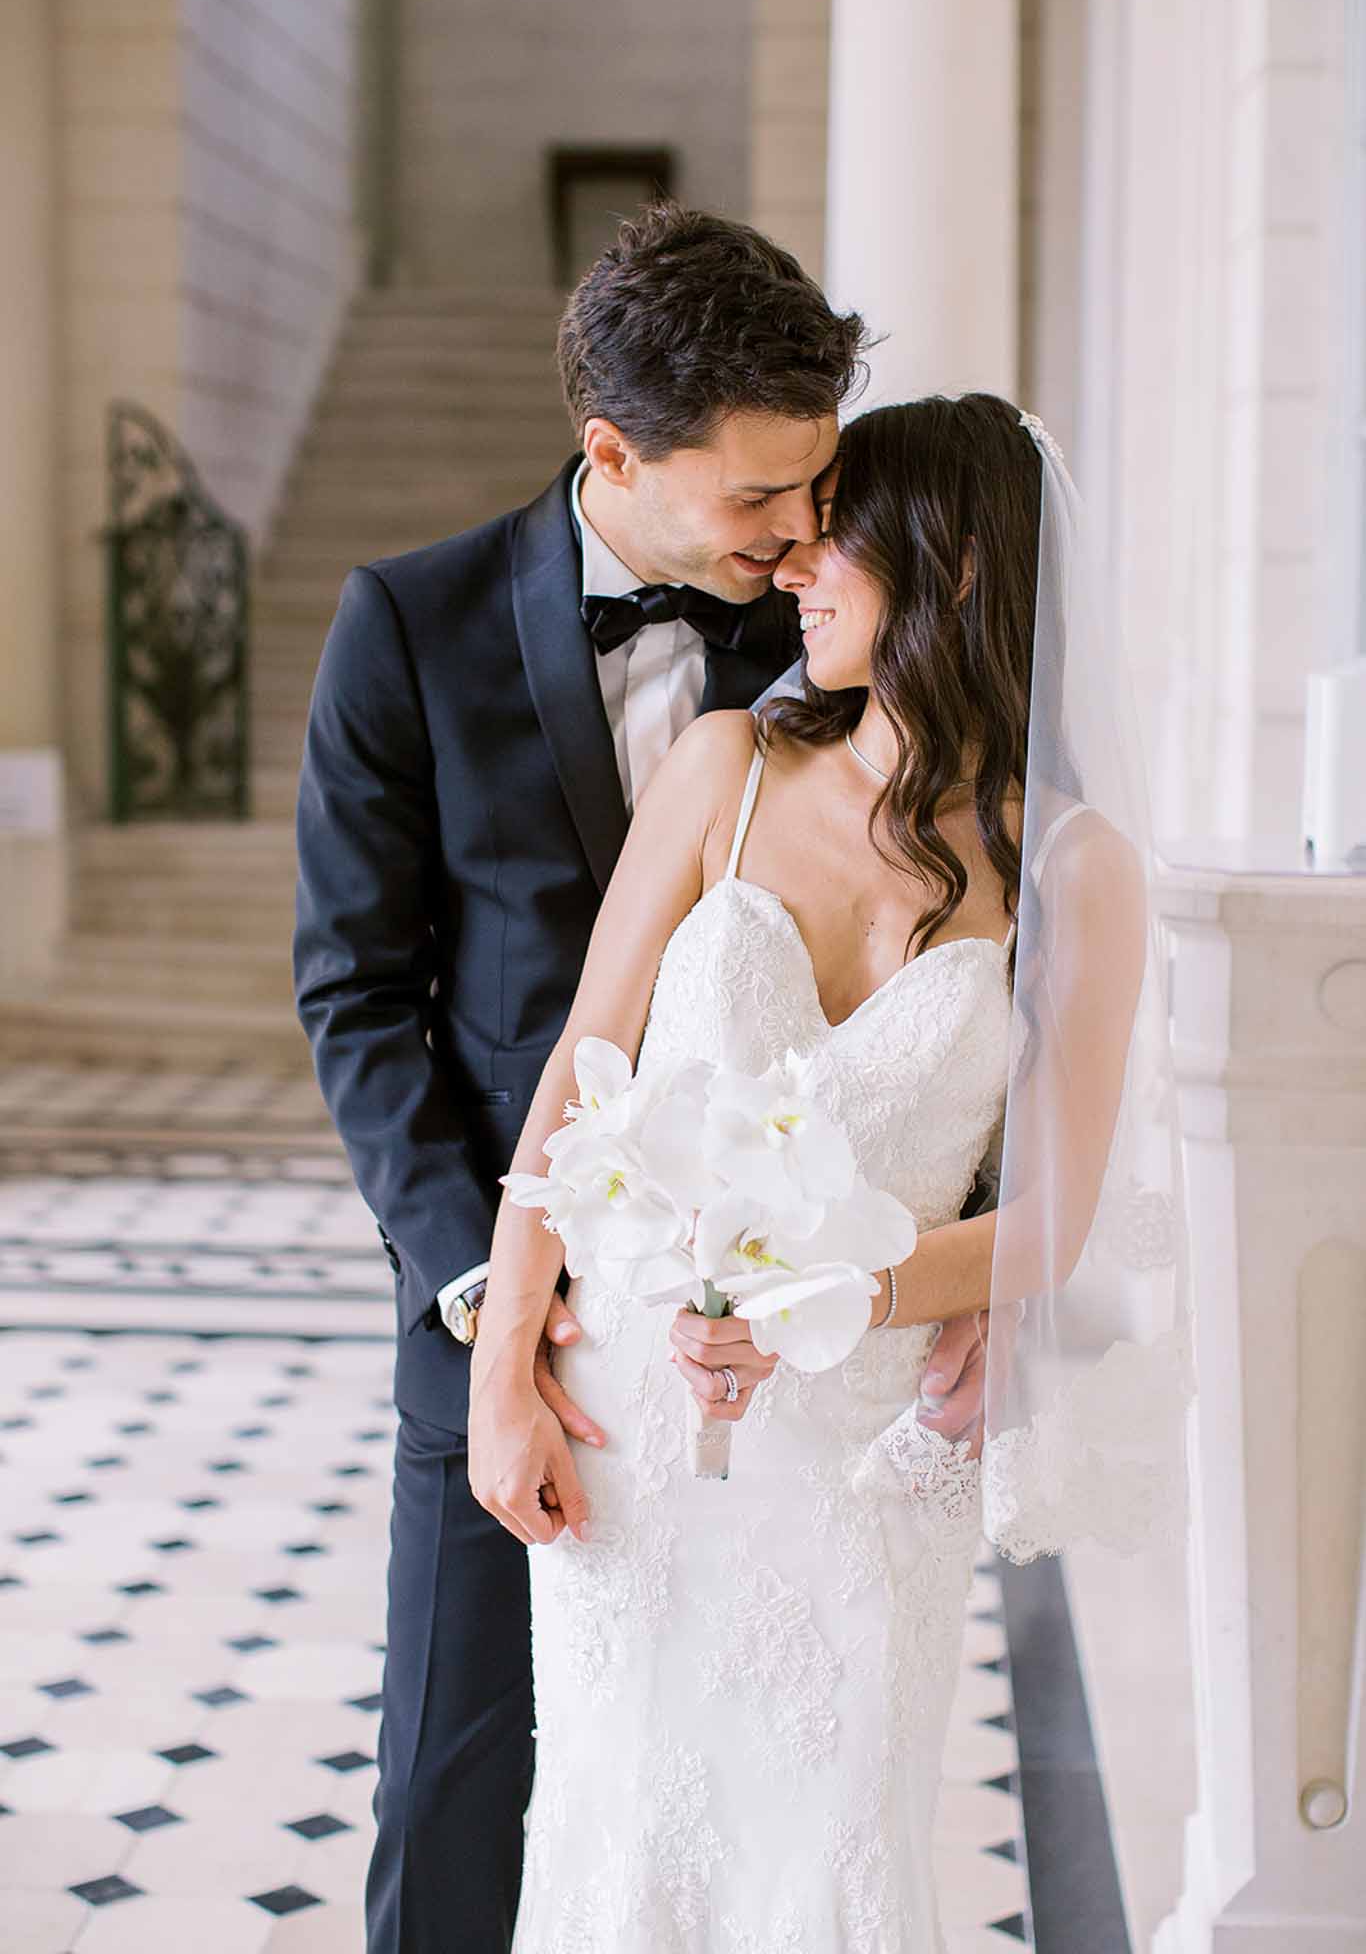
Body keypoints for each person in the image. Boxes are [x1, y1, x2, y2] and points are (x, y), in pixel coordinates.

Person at [293, 207, 992, 1954]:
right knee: (457, 1768)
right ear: (614, 451)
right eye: (758, 499)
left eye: (817, 488)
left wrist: (963, 1251)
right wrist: (487, 1300)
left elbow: (962, 987)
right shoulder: (409, 624)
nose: (800, 533)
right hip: (507, 1296)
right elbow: (362, 996)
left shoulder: (839, 634)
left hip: (798, 1350)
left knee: (762, 1786)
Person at [469, 392, 1157, 1950]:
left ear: (958, 566)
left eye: (834, 529)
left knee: (832, 1852)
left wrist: (828, 1289)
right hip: (635, 1425)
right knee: (619, 1818)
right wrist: (501, 1364)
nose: (792, 563)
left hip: (862, 1455)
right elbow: (580, 1077)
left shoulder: (1070, 867)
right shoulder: (723, 773)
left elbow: (1057, 1220)